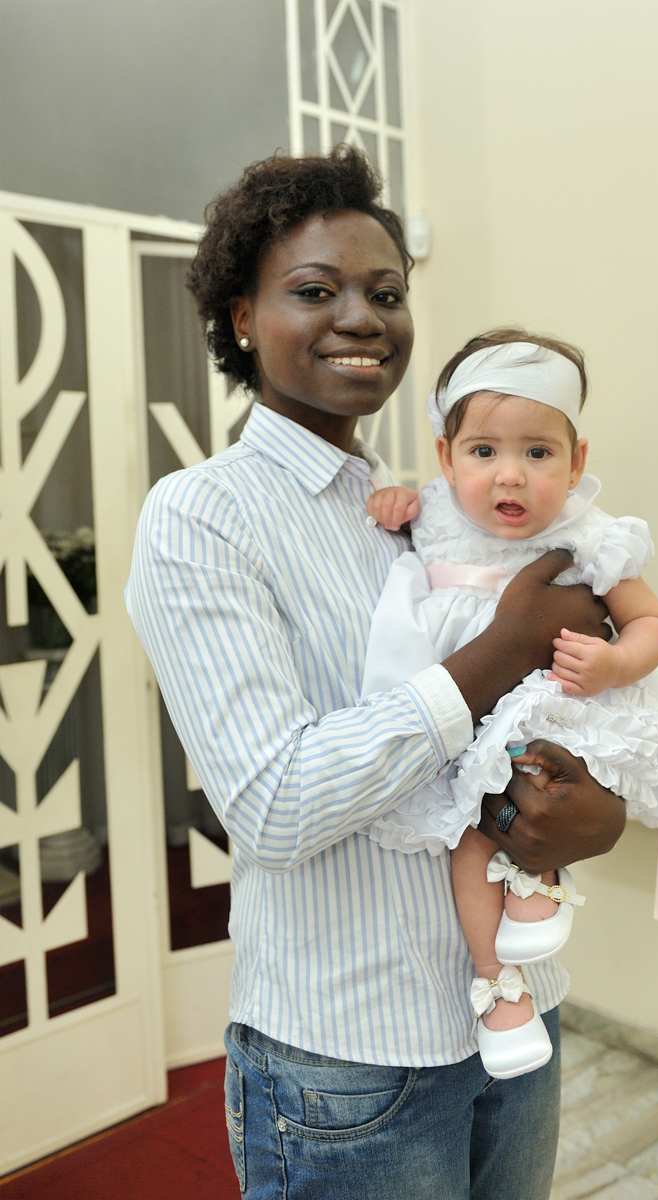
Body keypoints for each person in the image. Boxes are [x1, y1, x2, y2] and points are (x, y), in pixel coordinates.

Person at [125, 147, 626, 1200]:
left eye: (385, 293)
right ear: (240, 316)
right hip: (348, 1061)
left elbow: (514, 740)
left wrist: (590, 816)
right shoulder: (203, 516)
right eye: (314, 291)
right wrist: (496, 654)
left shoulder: (430, 509)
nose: (361, 316)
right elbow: (272, 803)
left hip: (509, 1009)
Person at [362, 330, 658, 1082]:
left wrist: (617, 659)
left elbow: (653, 621)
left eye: (538, 453)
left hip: (556, 715)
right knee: (468, 834)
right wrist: (394, 500)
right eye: (484, 452)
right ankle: (499, 989)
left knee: (542, 794)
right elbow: (404, 513)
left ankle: (538, 880)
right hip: (466, 715)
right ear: (446, 458)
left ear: (577, 460)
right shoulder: (430, 513)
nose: (509, 476)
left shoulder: (590, 535)